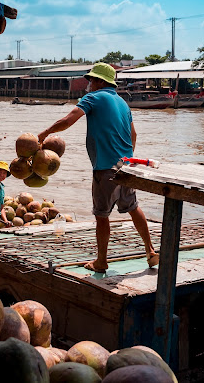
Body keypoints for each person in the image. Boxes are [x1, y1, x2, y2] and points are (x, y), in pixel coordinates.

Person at [37, 62, 159, 273]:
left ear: (100, 81)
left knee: (101, 215)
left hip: (105, 167)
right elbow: (134, 135)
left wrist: (44, 133)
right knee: (132, 207)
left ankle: (101, 261)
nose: (89, 84)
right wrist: (126, 158)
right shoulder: (122, 103)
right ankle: (150, 250)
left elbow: (69, 120)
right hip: (127, 166)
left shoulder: (92, 98)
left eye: (92, 80)